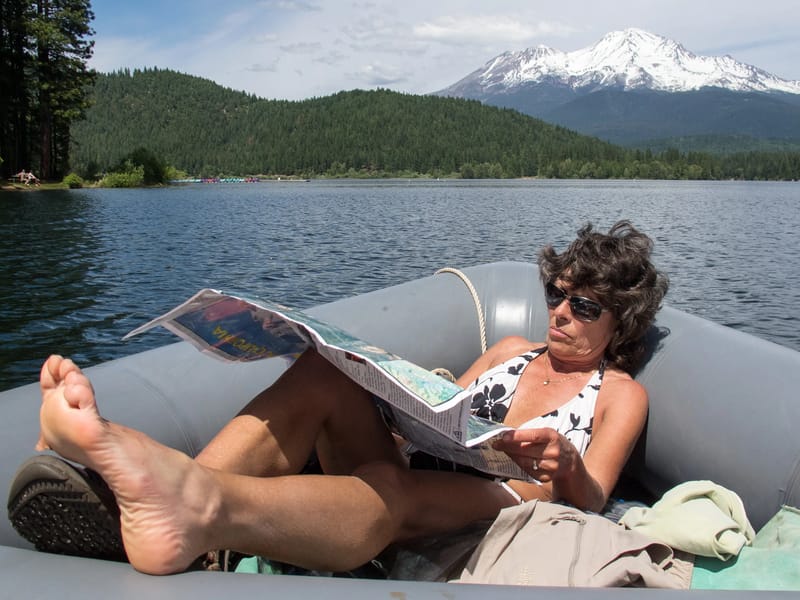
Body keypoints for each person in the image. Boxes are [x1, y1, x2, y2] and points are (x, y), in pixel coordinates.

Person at [11, 220, 668, 576]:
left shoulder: (618, 394)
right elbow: (445, 412)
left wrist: (565, 462)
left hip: (509, 498)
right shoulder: (510, 350)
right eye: (556, 294)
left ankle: (188, 503)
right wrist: (397, 399)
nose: (561, 314)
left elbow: (594, 497)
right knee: (323, 373)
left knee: (392, 488)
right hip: (433, 462)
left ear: (622, 322)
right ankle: (176, 508)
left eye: (584, 306)